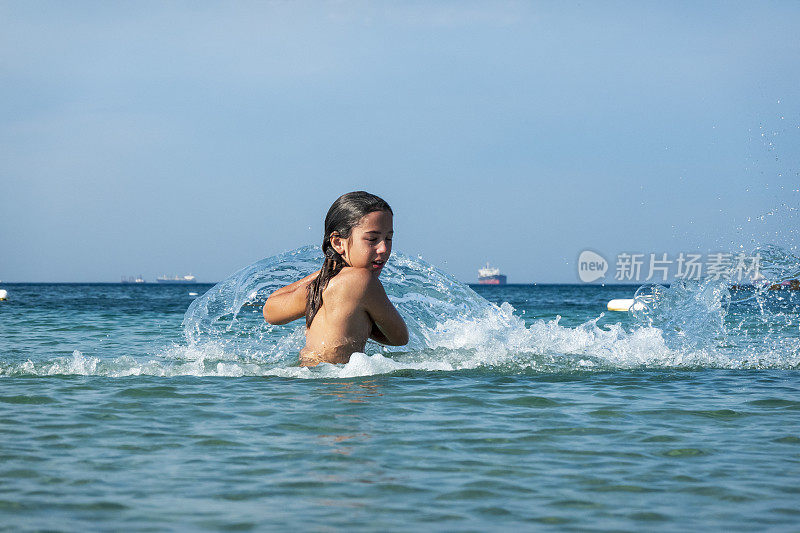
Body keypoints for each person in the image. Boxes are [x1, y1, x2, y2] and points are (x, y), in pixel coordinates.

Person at [263, 191, 409, 366]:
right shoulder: (363, 280)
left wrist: (330, 269)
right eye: (372, 239)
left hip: (309, 384)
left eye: (388, 238)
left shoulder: (323, 284)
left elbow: (270, 311)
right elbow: (400, 337)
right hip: (342, 389)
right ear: (338, 242)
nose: (383, 248)